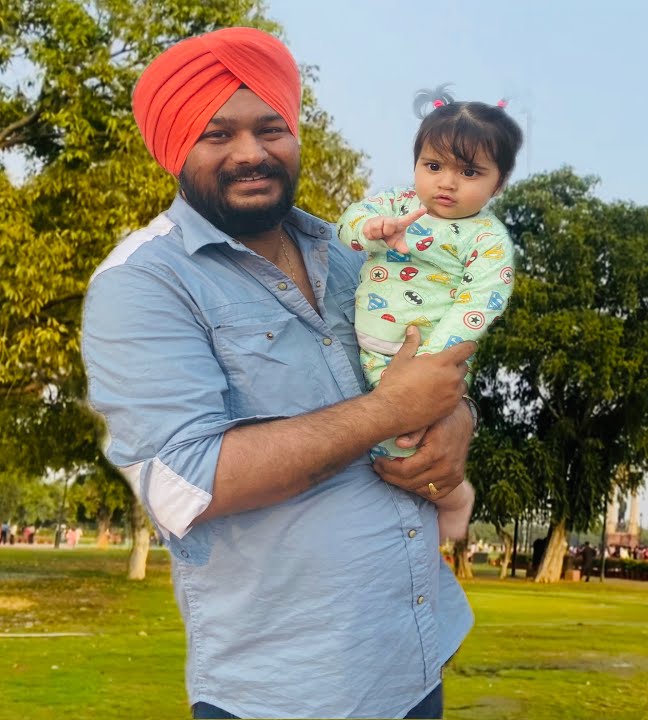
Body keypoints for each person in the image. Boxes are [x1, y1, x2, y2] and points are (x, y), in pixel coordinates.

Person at [81, 27, 479, 719]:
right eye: (217, 134)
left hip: (412, 658)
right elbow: (189, 483)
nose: (251, 153)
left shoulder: (353, 255)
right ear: (177, 147)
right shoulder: (143, 282)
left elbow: (435, 374)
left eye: (271, 128)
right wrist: (386, 413)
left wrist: (456, 422)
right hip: (284, 691)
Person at [335, 86, 521, 540]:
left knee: (410, 446)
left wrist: (429, 365)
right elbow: (346, 229)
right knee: (370, 436)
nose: (447, 182)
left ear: (497, 184)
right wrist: (374, 229)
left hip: (427, 361)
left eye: (469, 172)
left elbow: (479, 304)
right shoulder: (398, 206)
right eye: (433, 166)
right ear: (416, 164)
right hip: (369, 346)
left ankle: (454, 500)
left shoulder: (486, 239)